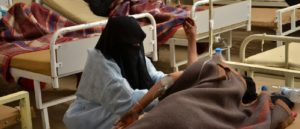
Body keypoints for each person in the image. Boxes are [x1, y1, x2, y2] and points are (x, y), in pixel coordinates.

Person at [63, 16, 198, 129]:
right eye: (131, 46)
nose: (136, 49)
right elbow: (129, 103)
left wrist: (191, 40)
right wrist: (169, 86)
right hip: (94, 117)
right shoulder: (101, 66)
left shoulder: (135, 52)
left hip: (119, 108)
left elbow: (154, 77)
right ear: (117, 43)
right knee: (139, 115)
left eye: (138, 45)